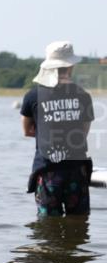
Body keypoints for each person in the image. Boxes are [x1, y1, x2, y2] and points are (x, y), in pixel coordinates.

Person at [20, 41, 95, 217]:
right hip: (76, 170)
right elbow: (83, 134)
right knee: (78, 224)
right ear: (70, 67)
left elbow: (27, 131)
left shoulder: (33, 95)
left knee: (48, 228)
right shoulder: (83, 95)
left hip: (47, 172)